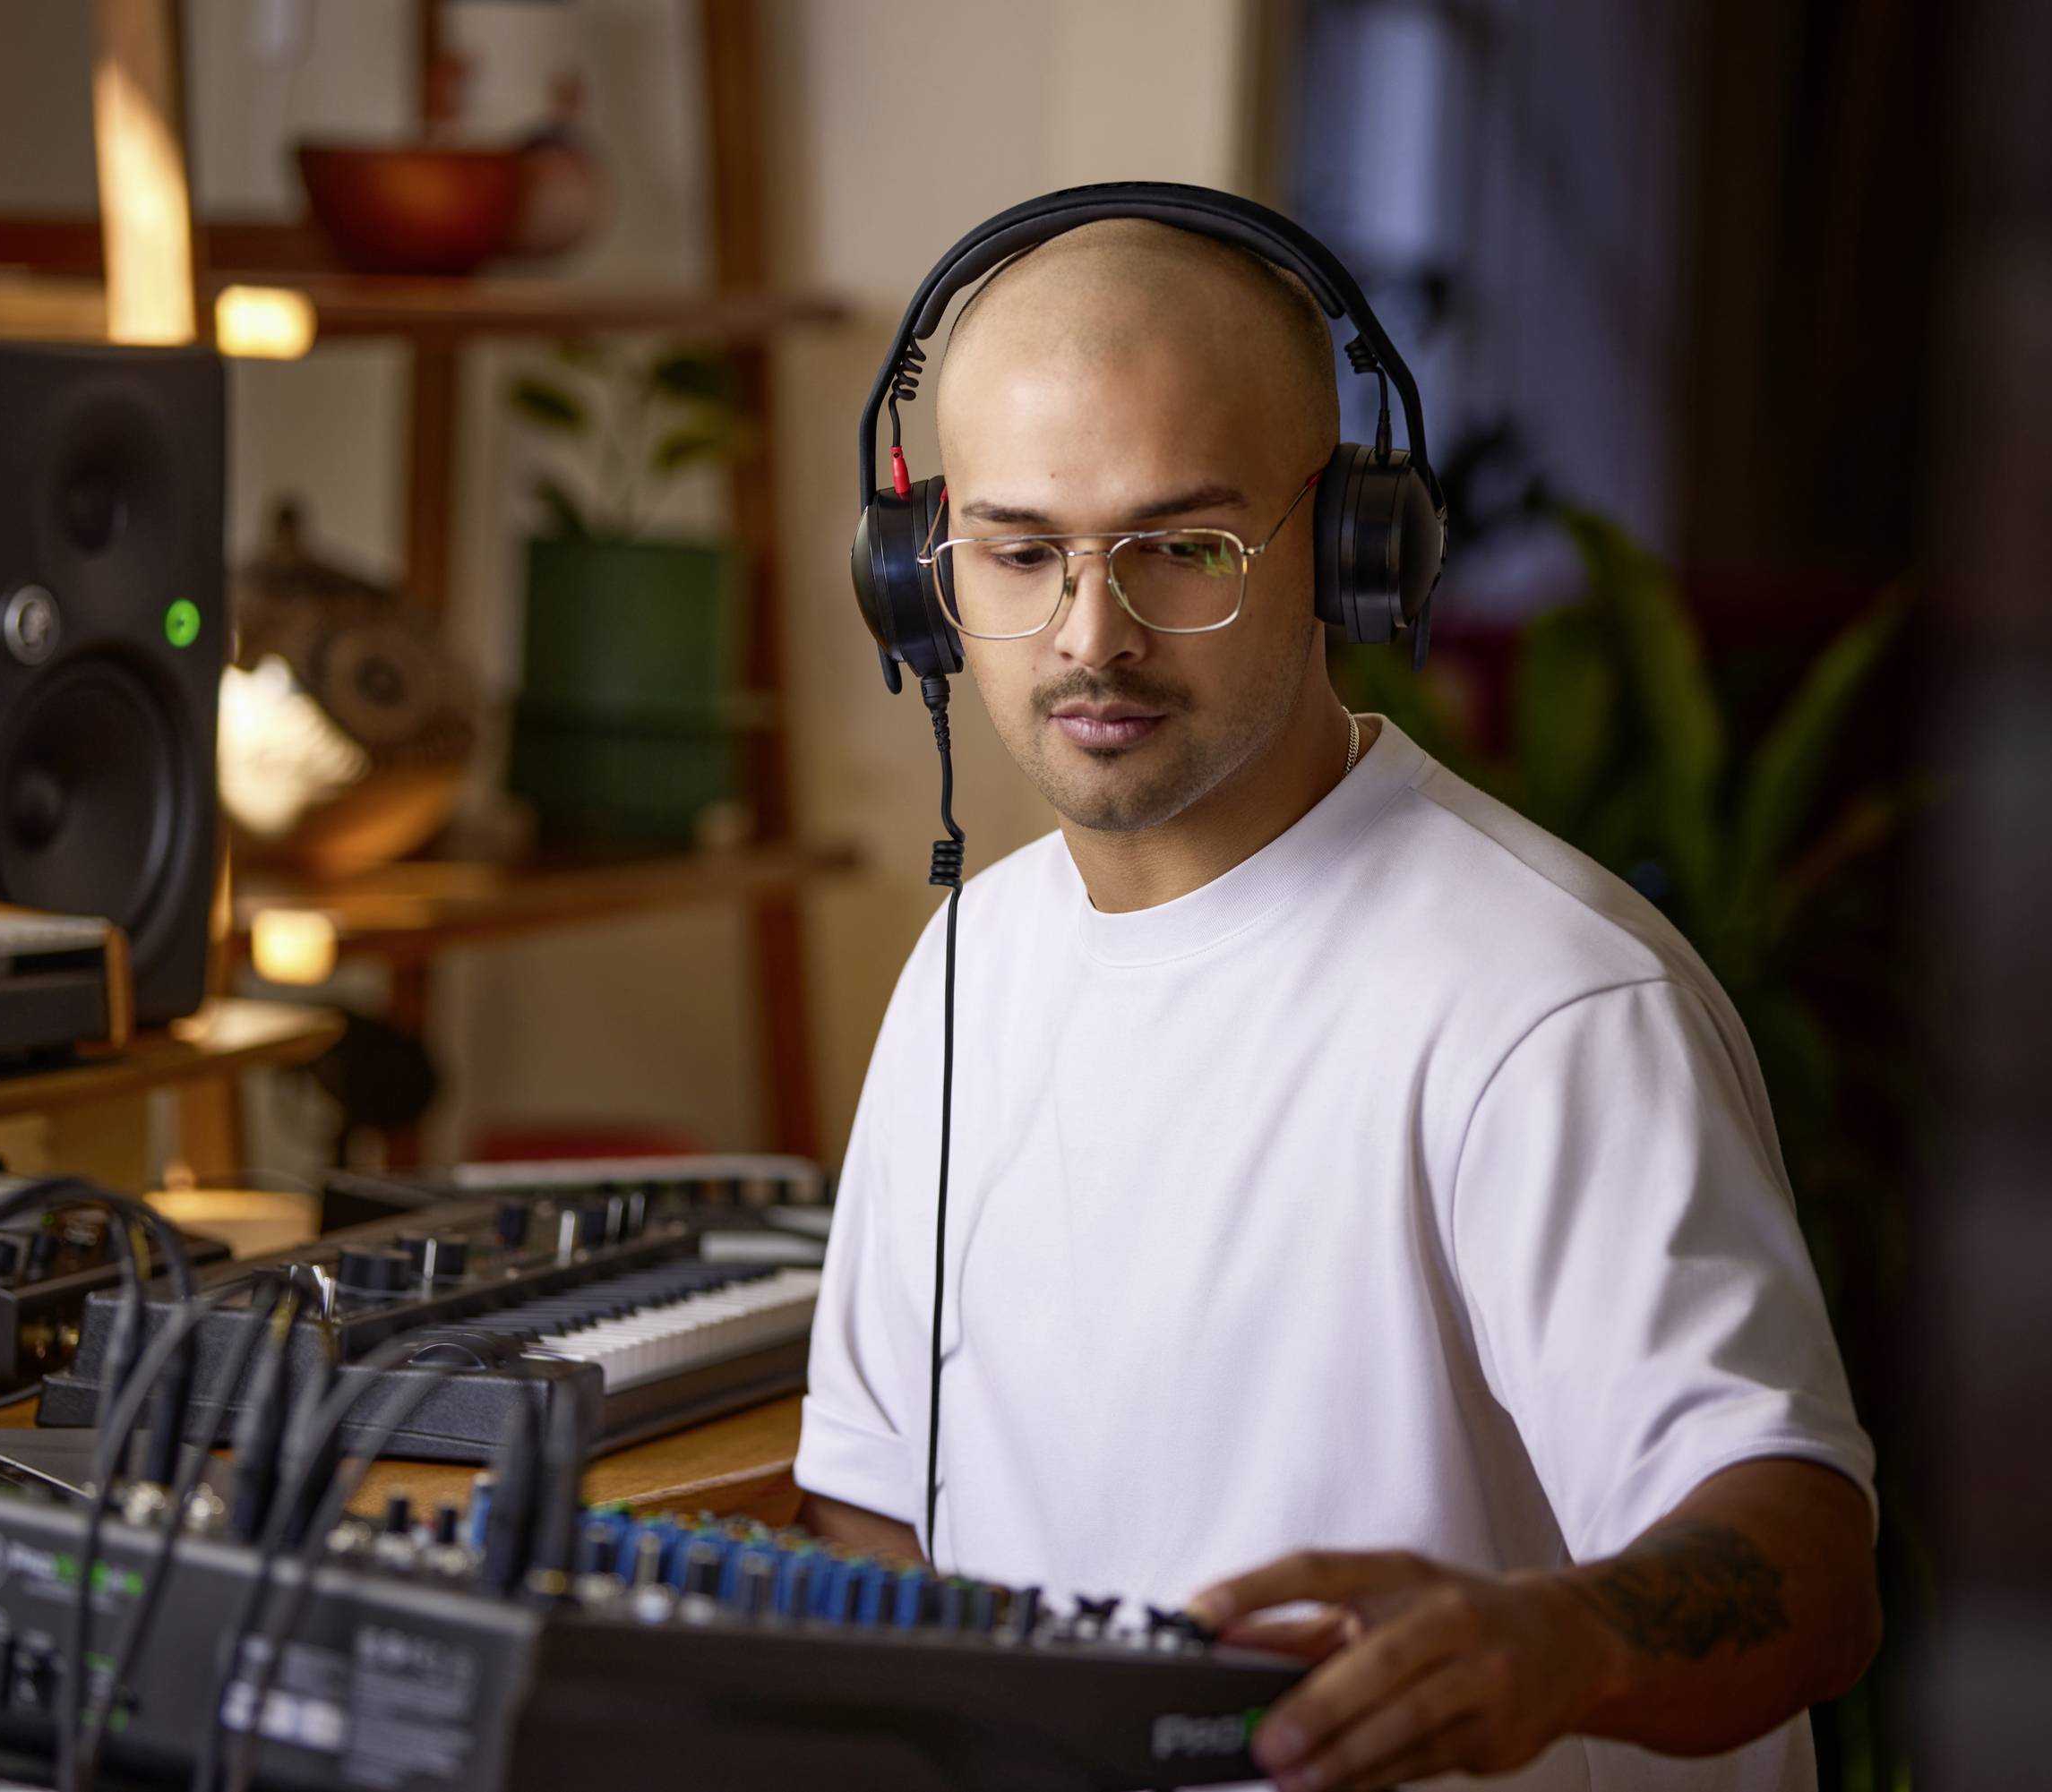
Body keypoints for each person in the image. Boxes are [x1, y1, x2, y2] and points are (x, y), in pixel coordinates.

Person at [794, 213, 1879, 1792]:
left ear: (1355, 544)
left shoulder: (1551, 1004)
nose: (1094, 634)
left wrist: (1560, 1643)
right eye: (1023, 553)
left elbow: (1805, 1563)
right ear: (923, 570)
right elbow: (875, 1510)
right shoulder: (966, 967)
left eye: (1186, 546)